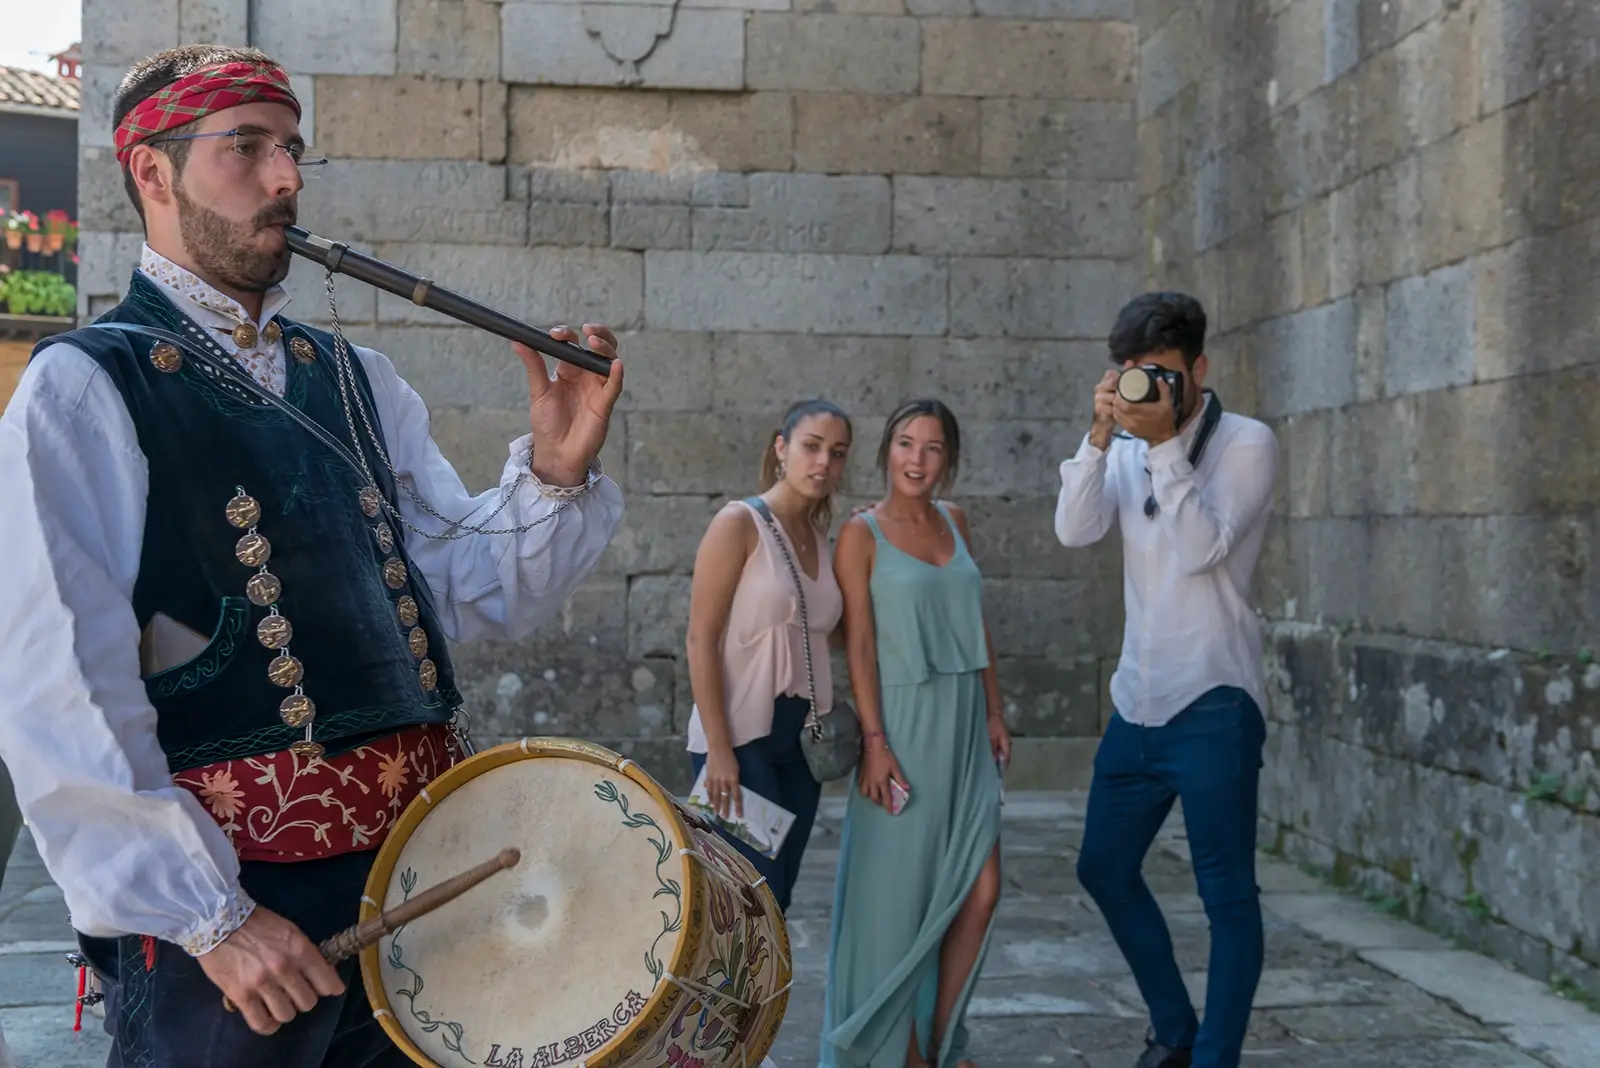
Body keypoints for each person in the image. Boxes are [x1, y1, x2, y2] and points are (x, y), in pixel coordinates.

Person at [0, 44, 626, 1067]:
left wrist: (553, 473)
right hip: (241, 922)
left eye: (291, 149)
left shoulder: (353, 377)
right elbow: (55, 691)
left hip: (417, 886)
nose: (285, 177)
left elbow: (464, 587)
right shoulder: (85, 387)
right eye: (244, 147)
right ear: (151, 172)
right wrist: (212, 918)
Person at [1054, 292, 1279, 1068]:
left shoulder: (1247, 443)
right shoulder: (1122, 444)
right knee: (1103, 866)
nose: (1152, 387)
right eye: (1136, 372)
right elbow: (1074, 530)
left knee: (1227, 895)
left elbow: (1200, 549)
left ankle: (1214, 1057)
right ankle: (1175, 1026)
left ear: (1200, 370)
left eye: (1166, 374)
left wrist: (1163, 450)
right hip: (1138, 698)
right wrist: (1099, 436)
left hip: (1215, 697)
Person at [820, 399, 1010, 1068]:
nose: (917, 460)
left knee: (981, 892)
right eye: (906, 443)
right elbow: (861, 647)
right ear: (886, 452)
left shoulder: (955, 521)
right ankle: (903, 1054)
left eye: (933, 448)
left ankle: (938, 1035)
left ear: (949, 460)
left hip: (963, 725)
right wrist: (875, 744)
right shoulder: (860, 533)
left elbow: (975, 620)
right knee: (897, 903)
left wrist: (992, 708)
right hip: (900, 725)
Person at [684, 398, 853, 913]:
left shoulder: (822, 540)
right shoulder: (738, 522)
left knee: (780, 903)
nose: (824, 462)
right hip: (738, 737)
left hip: (802, 740)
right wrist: (717, 748)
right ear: (782, 448)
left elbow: (834, 634)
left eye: (838, 452)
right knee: (753, 895)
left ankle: (759, 998)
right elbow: (701, 638)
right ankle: (718, 996)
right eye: (812, 446)